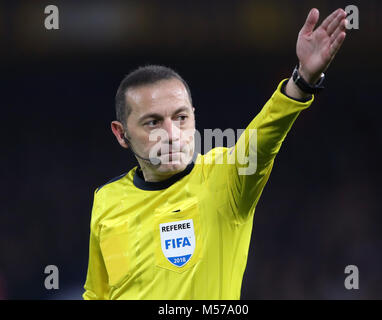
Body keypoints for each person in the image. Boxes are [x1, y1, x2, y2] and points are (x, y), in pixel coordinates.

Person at [83, 8, 348, 299]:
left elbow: (263, 138)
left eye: (181, 118)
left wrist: (300, 82)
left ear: (194, 117)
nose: (171, 134)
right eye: (153, 122)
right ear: (121, 134)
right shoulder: (106, 200)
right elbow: (97, 293)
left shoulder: (223, 176)